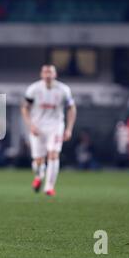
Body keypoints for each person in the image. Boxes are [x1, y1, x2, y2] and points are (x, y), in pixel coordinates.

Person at [20, 65, 77, 196]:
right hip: (38, 126)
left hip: (56, 126)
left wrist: (69, 128)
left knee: (53, 154)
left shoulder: (63, 90)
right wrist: (30, 126)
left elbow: (71, 108)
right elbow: (24, 108)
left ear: (55, 74)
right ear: (41, 74)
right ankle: (39, 176)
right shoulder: (33, 89)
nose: (48, 75)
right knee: (38, 160)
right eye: (45, 72)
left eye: (50, 72)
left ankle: (49, 187)